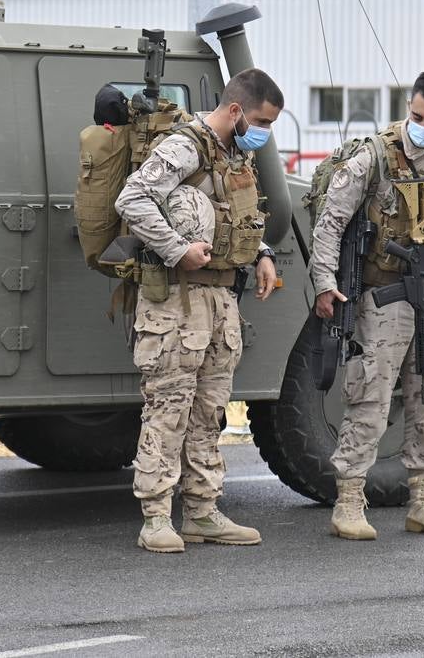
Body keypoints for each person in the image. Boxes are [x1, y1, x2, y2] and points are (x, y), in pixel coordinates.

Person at [311, 70, 424, 540]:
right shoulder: (374, 155)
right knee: (371, 394)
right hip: (385, 292)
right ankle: (350, 500)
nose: (421, 124)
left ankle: (423, 498)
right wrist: (323, 283)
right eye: (415, 114)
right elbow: (331, 222)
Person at [114, 68, 284, 554]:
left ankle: (202, 512)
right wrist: (174, 248)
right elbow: (134, 197)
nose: (263, 131)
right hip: (175, 300)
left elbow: (242, 214)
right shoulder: (183, 146)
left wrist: (264, 254)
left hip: (220, 300)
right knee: (168, 408)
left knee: (210, 410)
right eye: (260, 120)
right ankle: (155, 517)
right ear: (235, 111)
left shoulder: (234, 153)